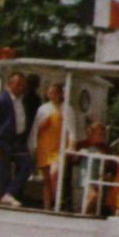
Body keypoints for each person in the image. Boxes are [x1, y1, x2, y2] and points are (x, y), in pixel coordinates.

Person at [0, 71, 32, 207]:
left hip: (17, 140)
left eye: (23, 85)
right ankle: (4, 197)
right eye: (18, 84)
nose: (21, 87)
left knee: (27, 166)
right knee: (4, 172)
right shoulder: (1, 100)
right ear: (9, 84)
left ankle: (8, 194)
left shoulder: (20, 100)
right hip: (3, 140)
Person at [30, 81, 69, 210]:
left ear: (61, 94)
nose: (53, 95)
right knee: (46, 180)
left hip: (58, 147)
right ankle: (47, 207)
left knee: (54, 174)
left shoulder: (66, 108)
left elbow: (70, 130)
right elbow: (36, 129)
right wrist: (33, 146)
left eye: (55, 93)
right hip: (44, 146)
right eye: (50, 92)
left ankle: (58, 202)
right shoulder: (43, 109)